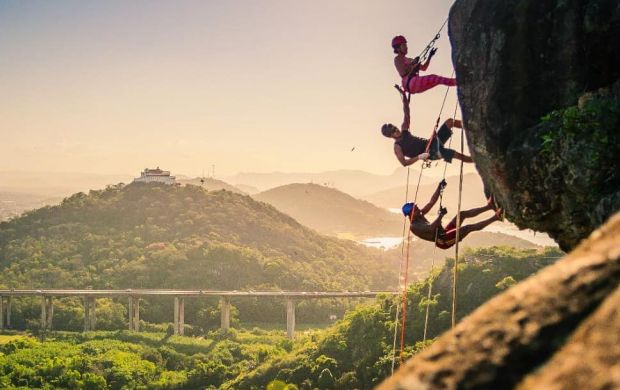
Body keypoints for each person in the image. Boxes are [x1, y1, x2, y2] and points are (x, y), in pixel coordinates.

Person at [381, 89, 473, 167]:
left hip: (431, 142)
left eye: (395, 127)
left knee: (450, 122)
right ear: (390, 136)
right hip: (429, 153)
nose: (396, 130)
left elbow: (406, 113)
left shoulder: (404, 130)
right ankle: (476, 160)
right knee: (453, 154)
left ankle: (473, 127)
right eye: (393, 131)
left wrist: (404, 97)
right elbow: (404, 163)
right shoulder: (397, 147)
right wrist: (419, 157)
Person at [402, 180, 502, 249]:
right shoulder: (414, 226)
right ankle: (496, 217)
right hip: (443, 241)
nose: (418, 209)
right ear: (410, 214)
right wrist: (441, 215)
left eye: (417, 207)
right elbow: (431, 228)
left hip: (444, 232)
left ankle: (489, 207)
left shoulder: (418, 215)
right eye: (415, 209)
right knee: (467, 228)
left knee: (461, 214)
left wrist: (439, 188)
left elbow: (431, 202)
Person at [392, 35, 456, 95]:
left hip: (413, 84)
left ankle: (457, 82)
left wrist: (430, 56)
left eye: (406, 45)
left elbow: (424, 68)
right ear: (398, 48)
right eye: (403, 45)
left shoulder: (410, 59)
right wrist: (413, 64)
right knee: (434, 78)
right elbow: (403, 72)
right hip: (409, 82)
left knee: (437, 80)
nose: (406, 47)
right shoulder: (397, 59)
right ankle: (457, 81)